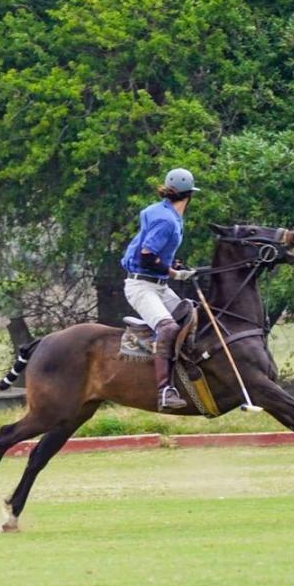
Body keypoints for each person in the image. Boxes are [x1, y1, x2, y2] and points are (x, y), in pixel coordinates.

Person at [120, 168, 200, 411]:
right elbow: (146, 256)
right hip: (142, 286)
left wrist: (170, 265)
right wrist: (175, 273)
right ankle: (165, 391)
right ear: (190, 195)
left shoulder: (166, 212)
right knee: (168, 328)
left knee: (191, 315)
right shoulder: (167, 220)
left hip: (158, 285)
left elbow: (152, 252)